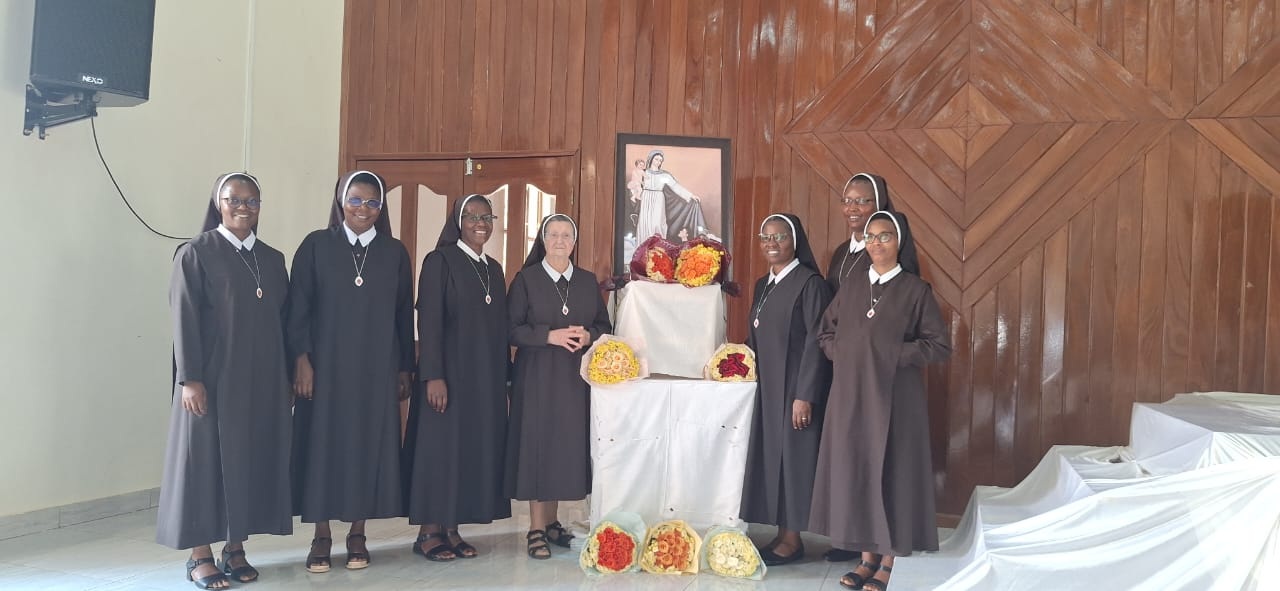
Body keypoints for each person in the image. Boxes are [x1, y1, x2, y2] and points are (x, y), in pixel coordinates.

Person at [157, 172, 292, 589]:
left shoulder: (272, 258)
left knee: (246, 460)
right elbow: (184, 318)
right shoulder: (196, 253)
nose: (243, 208)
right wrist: (190, 379)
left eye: (252, 201)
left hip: (261, 380)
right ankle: (199, 555)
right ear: (218, 203)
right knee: (203, 465)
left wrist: (286, 376)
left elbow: (283, 322)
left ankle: (235, 548)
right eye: (234, 199)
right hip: (211, 380)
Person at [810, 210, 951, 591]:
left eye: (884, 236)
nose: (876, 243)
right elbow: (825, 332)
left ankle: (889, 559)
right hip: (851, 397)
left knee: (892, 473)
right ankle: (866, 557)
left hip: (896, 401)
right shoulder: (853, 284)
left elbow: (938, 346)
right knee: (857, 471)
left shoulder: (915, 290)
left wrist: (890, 354)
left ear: (899, 241)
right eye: (870, 237)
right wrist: (843, 353)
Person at [288, 170, 413, 573]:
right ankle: (321, 535)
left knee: (367, 447)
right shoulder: (316, 245)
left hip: (376, 369)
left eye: (373, 202)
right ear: (341, 201)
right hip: (325, 369)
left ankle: (358, 533)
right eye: (355, 200)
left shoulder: (394, 252)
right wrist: (301, 360)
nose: (364, 209)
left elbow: (402, 315)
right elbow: (298, 308)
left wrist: (405, 368)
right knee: (322, 448)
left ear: (381, 207)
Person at [403, 194, 512, 561]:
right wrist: (433, 375)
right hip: (447, 377)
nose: (480, 223)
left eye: (487, 217)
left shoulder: (493, 269)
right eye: (472, 216)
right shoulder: (440, 261)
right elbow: (429, 320)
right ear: (458, 221)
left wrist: (505, 379)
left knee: (466, 450)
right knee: (439, 450)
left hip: (483, 379)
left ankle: (451, 528)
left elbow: (500, 330)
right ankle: (428, 531)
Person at [505, 214, 612, 559]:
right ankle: (535, 528)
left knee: (561, 450)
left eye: (567, 235)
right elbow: (510, 329)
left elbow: (604, 325)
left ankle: (552, 524)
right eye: (553, 235)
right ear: (543, 240)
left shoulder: (586, 281)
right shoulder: (526, 279)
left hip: (573, 379)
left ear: (574, 242)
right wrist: (548, 336)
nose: (560, 241)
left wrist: (589, 336)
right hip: (536, 376)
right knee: (539, 447)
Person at [740, 213, 833, 566]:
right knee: (774, 461)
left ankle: (793, 540)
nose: (772, 243)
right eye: (765, 237)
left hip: (795, 389)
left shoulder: (810, 284)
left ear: (795, 241)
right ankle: (782, 534)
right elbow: (756, 335)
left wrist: (804, 395)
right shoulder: (763, 284)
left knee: (793, 462)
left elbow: (816, 342)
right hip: (768, 390)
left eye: (779, 236)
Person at [826, 173, 920, 294]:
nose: (852, 208)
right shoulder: (841, 251)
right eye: (847, 201)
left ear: (879, 205)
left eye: (861, 201)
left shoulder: (885, 252)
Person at [635, 150, 705, 243]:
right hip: (646, 198)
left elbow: (676, 187)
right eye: (656, 159)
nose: (658, 162)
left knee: (657, 223)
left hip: (658, 198)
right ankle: (644, 246)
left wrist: (691, 195)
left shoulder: (664, 175)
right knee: (645, 223)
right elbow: (635, 184)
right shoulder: (643, 172)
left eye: (660, 160)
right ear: (651, 159)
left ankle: (658, 246)